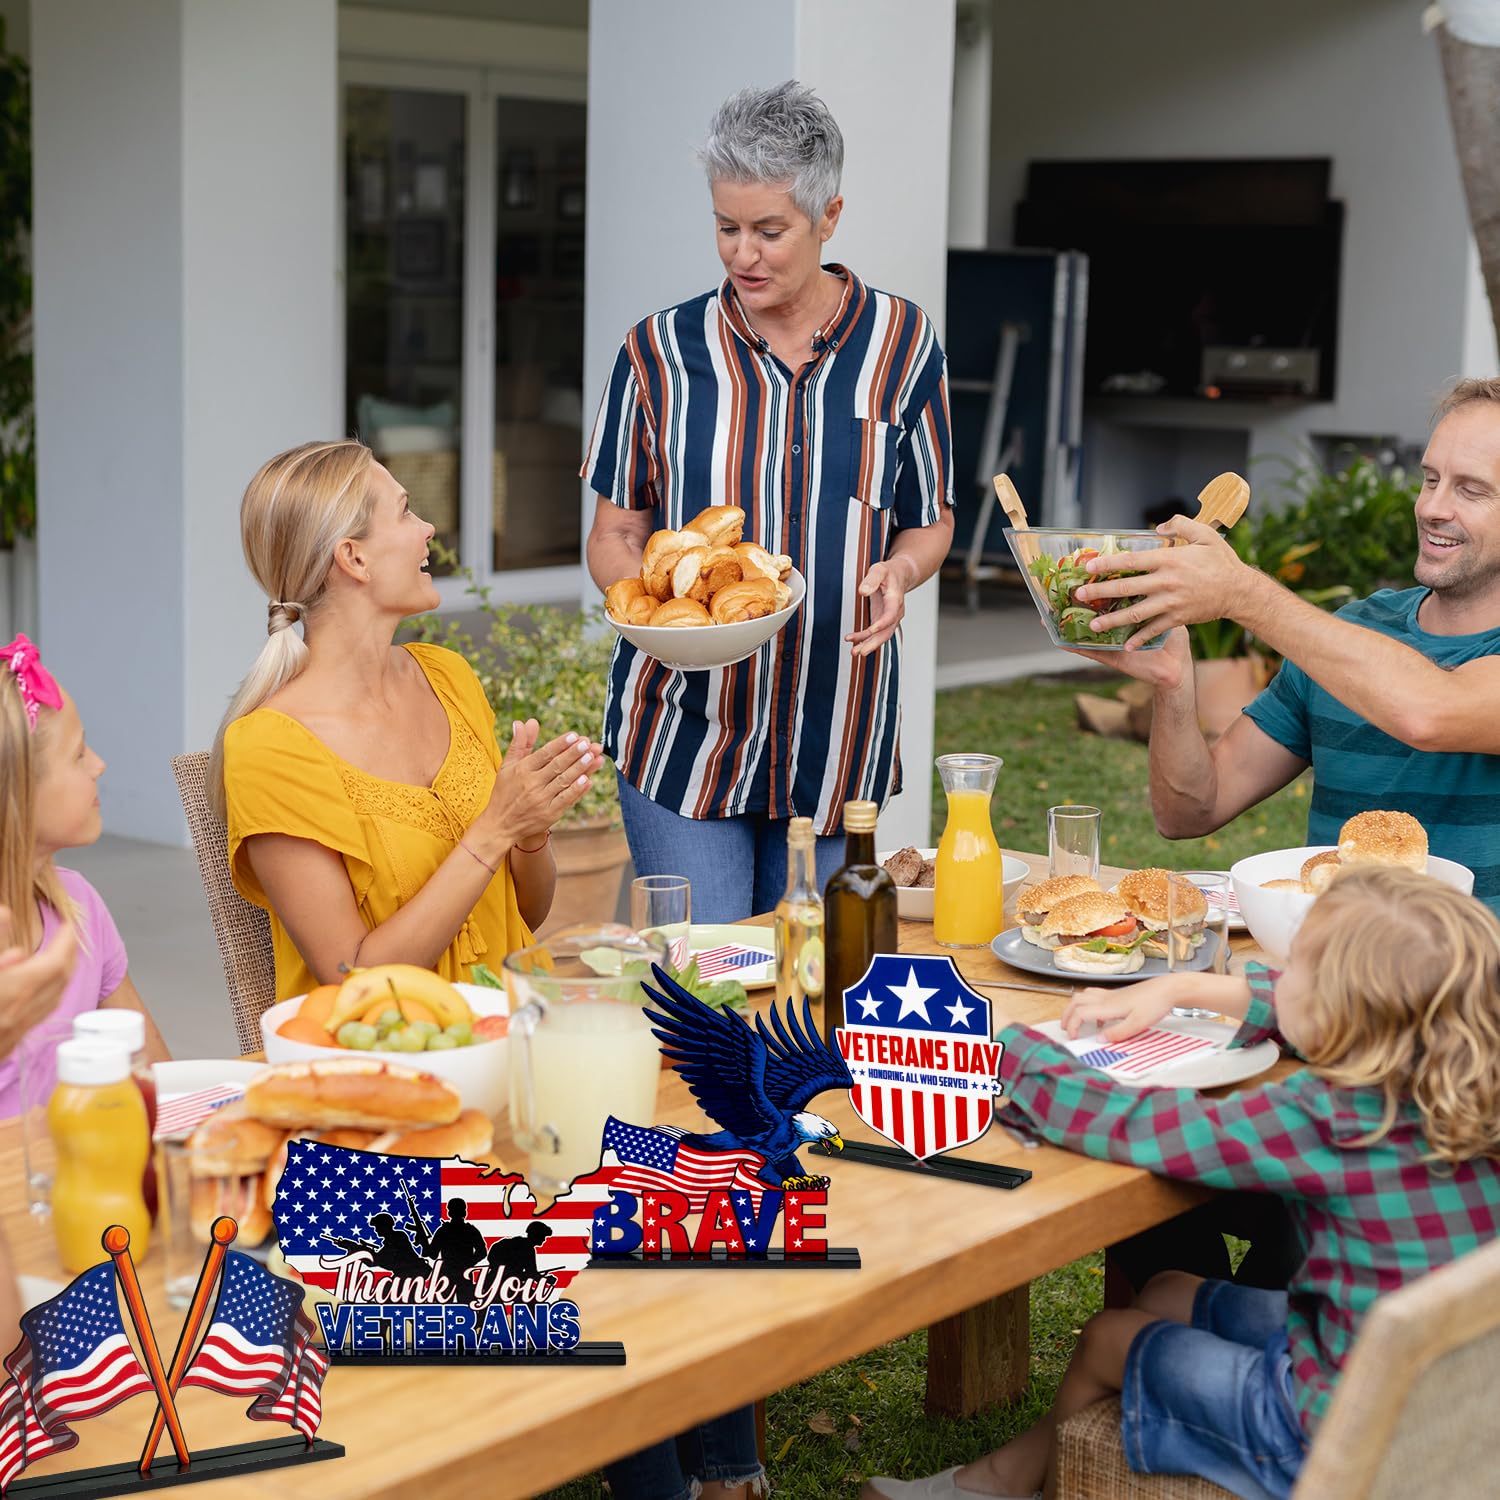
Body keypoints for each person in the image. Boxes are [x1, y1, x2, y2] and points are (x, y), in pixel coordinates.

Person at [866, 866, 1500, 1500]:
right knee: (1167, 1290)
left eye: (1302, 969)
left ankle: (1012, 1487)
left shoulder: (1326, 1119)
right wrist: (1184, 987)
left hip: (1327, 1430)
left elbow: (1138, 1124)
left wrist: (1011, 1046)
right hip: (1435, 1388)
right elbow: (1332, 1011)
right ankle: (1006, 1479)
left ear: (1346, 1012)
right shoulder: (1466, 1082)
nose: (1284, 981)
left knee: (1106, 1338)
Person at [583, 80, 954, 922]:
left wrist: (901, 567)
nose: (741, 254)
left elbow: (930, 517)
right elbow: (615, 531)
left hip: (836, 739)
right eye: (726, 227)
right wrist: (647, 605)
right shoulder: (657, 353)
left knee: (815, 1003)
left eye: (769, 231)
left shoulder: (903, 343)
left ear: (829, 217)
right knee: (714, 998)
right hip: (686, 731)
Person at [1068, 377, 1500, 912]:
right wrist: (1174, 684)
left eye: (1471, 489)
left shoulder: (1339, 648)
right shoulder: (1353, 635)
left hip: (1474, 987)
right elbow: (1189, 812)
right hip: (1327, 978)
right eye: (1430, 479)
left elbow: (1430, 713)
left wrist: (1243, 593)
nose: (1433, 507)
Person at [212, 440, 602, 997]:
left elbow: (526, 917)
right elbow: (357, 978)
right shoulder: (270, 748)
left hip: (516, 1034)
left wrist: (529, 831)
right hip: (387, 1062)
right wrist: (493, 830)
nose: (429, 529)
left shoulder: (447, 678)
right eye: (405, 511)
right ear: (354, 558)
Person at [0, 636, 169, 1118]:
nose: (99, 765)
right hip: (22, 1187)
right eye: (78, 755)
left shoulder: (78, 904)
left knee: (379, 1189)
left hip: (89, 1174)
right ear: (17, 794)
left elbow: (152, 1079)